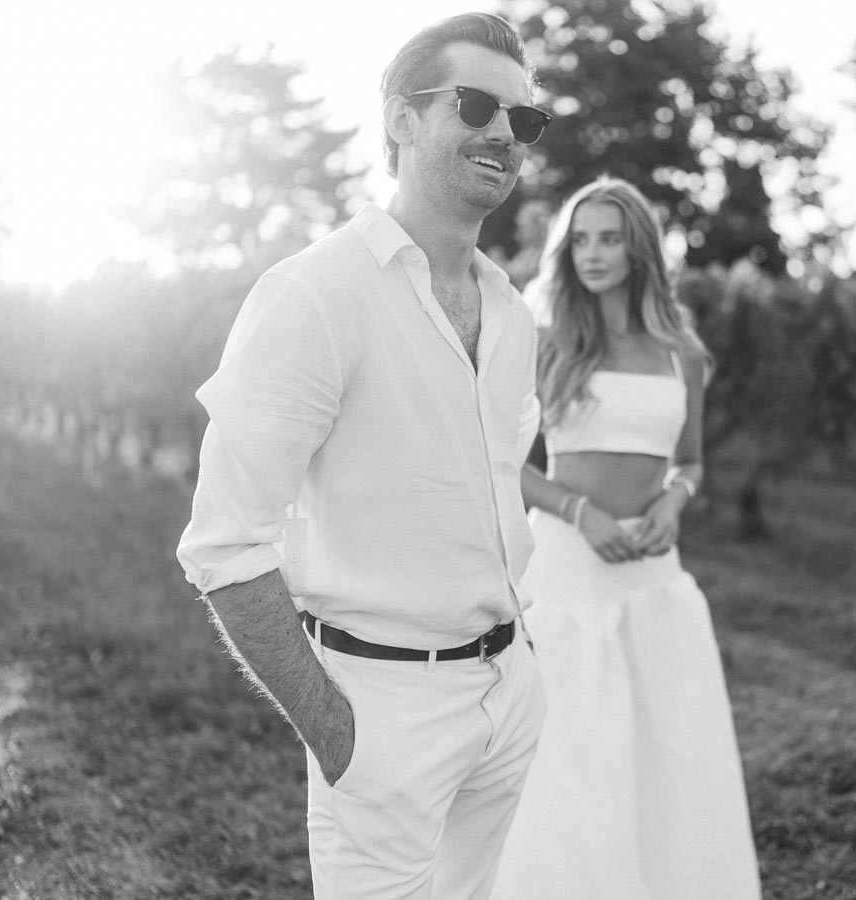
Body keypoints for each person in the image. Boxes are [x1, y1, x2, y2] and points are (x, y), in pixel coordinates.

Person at [176, 13, 554, 899]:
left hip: (508, 699)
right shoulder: (316, 295)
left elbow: (496, 498)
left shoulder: (511, 313)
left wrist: (522, 666)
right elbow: (226, 545)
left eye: (525, 120)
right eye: (475, 105)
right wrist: (338, 733)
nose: (503, 132)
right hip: (384, 714)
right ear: (402, 119)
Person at [491, 177, 762, 899]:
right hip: (567, 583)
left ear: (639, 246)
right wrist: (581, 514)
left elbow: (692, 460)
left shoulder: (683, 353)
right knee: (571, 767)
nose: (593, 253)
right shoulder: (547, 343)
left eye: (610, 237)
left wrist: (676, 499)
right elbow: (500, 461)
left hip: (653, 585)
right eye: (580, 239)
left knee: (669, 760)